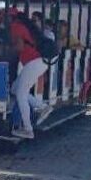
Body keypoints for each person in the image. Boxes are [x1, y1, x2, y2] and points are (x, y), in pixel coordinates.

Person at [7, 8, 53, 139]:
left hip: (34, 62)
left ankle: (28, 129)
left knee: (21, 93)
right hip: (38, 62)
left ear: (11, 17)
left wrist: (6, 49)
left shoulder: (16, 27)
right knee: (15, 89)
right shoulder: (24, 25)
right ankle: (43, 107)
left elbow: (20, 47)